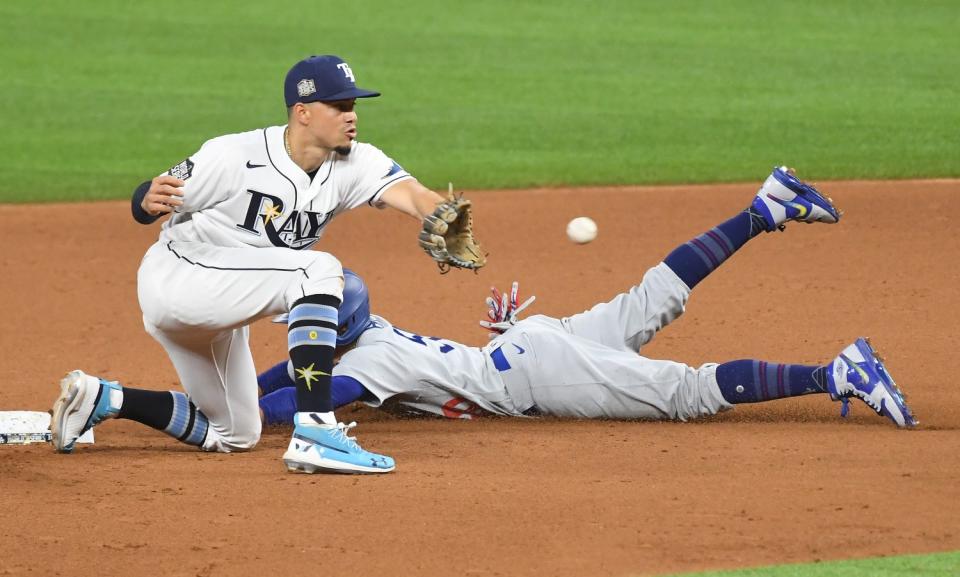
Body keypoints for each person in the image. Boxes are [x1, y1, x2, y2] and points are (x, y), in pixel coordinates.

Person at [50, 55, 481, 474]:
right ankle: (316, 431)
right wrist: (144, 199)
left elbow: (411, 192)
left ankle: (103, 398)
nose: (352, 116)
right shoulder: (236, 155)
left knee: (237, 432)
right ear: (303, 112)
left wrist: (437, 213)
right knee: (319, 271)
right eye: (340, 106)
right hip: (180, 278)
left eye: (354, 106)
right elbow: (151, 199)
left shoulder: (355, 161)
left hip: (222, 309)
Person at [256, 167, 917, 428]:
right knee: (654, 295)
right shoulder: (370, 335)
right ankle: (763, 208)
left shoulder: (363, 368)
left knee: (685, 392)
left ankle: (836, 372)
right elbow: (294, 368)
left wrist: (236, 417)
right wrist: (229, 393)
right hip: (528, 341)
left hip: (535, 369)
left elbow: (302, 394)